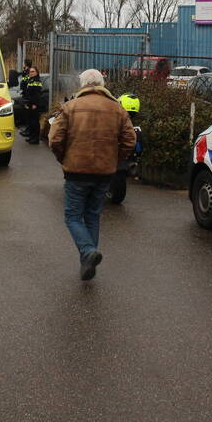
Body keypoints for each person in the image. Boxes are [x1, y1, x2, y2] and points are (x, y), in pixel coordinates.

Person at [49, 69, 136, 281]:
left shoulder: (70, 107)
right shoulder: (117, 109)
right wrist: (114, 160)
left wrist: (64, 158)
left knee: (72, 216)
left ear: (83, 85)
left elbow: (54, 139)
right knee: (92, 215)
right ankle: (87, 262)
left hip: (76, 172)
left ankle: (88, 252)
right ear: (101, 84)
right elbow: (129, 140)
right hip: (104, 173)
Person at [21, 67, 44, 144]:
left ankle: (35, 139)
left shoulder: (37, 81)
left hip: (34, 104)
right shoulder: (30, 80)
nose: (31, 73)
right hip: (30, 103)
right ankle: (31, 137)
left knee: (35, 122)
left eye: (33, 71)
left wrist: (35, 104)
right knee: (31, 121)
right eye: (30, 72)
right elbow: (24, 87)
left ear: (37, 72)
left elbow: (37, 94)